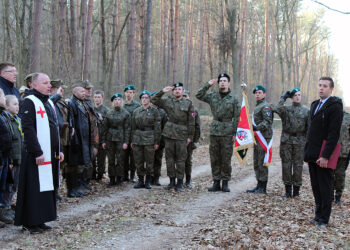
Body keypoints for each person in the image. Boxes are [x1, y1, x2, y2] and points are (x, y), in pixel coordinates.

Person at [14, 73, 64, 234]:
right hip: (35, 154)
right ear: (33, 85)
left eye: (49, 82)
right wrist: (37, 151)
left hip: (50, 154)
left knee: (46, 188)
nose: (49, 85)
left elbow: (54, 128)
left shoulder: (47, 101)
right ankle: (30, 221)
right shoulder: (29, 102)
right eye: (45, 83)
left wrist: (59, 150)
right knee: (34, 188)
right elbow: (27, 129)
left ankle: (41, 218)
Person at [304, 76, 343, 228]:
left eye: (325, 86)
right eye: (320, 85)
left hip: (324, 154)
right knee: (315, 187)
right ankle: (317, 214)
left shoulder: (335, 107)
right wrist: (307, 152)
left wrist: (325, 156)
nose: (321, 88)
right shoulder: (314, 105)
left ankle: (324, 219)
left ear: (331, 89)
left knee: (325, 187)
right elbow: (311, 131)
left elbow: (334, 134)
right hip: (312, 152)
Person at [196, 74, 240, 192]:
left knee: (225, 158)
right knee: (214, 157)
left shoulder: (234, 99)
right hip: (215, 130)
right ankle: (216, 182)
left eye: (225, 81)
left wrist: (235, 133)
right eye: (220, 81)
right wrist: (208, 85)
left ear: (229, 83)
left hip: (227, 131)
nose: (222, 83)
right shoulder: (212, 96)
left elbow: (237, 117)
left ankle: (225, 182)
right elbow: (198, 95)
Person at [151, 82, 195, 192]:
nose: (177, 91)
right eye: (175, 89)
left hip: (182, 134)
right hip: (169, 133)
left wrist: (190, 136)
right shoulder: (167, 101)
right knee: (169, 159)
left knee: (180, 160)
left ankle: (180, 182)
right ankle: (171, 182)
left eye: (179, 89)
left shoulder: (188, 103)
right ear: (172, 91)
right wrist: (162, 91)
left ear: (183, 91)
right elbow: (153, 100)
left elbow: (191, 121)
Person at [273, 87, 309, 197]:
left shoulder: (306, 111)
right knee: (286, 165)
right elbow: (276, 108)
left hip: (300, 141)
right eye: (295, 95)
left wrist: (308, 143)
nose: (298, 97)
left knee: (298, 166)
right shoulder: (286, 109)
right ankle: (288, 190)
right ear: (292, 98)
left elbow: (308, 128)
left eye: (299, 95)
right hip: (287, 141)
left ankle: (296, 191)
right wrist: (283, 98)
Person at [246, 85, 273, 194]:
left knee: (262, 162)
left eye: (260, 92)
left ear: (264, 94)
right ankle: (258, 185)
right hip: (257, 138)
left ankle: (263, 186)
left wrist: (257, 128)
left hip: (263, 137)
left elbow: (267, 122)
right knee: (256, 162)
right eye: (256, 93)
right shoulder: (257, 107)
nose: (257, 94)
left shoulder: (266, 107)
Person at [131, 90, 161, 189]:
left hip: (150, 138)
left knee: (149, 161)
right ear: (140, 100)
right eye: (142, 98)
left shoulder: (154, 111)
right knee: (138, 161)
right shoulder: (136, 111)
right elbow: (133, 127)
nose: (144, 100)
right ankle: (140, 180)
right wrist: (132, 140)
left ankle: (148, 181)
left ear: (149, 99)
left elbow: (157, 128)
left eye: (146, 98)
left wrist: (156, 141)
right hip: (138, 138)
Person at [66, 82, 92, 198]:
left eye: (84, 91)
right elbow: (71, 120)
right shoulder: (72, 103)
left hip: (84, 138)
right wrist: (74, 137)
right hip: (76, 139)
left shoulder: (83, 103)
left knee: (79, 164)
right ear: (74, 92)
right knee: (73, 164)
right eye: (81, 91)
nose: (84, 93)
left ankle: (77, 188)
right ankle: (72, 189)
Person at [101, 93, 130, 186]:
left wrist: (126, 142)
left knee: (120, 159)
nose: (117, 101)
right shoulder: (108, 113)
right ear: (113, 102)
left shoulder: (126, 113)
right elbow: (104, 128)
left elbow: (127, 129)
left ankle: (119, 178)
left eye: (119, 100)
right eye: (115, 100)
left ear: (121, 101)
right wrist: (103, 141)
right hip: (110, 139)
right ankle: (112, 178)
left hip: (121, 138)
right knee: (111, 159)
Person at [2, 95, 23, 222]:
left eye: (18, 104)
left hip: (19, 157)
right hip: (12, 158)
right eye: (14, 104)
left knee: (15, 185)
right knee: (8, 185)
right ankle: (4, 208)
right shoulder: (6, 120)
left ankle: (9, 206)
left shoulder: (17, 119)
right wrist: (9, 160)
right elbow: (8, 141)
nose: (17, 107)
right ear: (7, 106)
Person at [82, 80, 100, 189]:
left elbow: (94, 124)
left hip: (92, 138)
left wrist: (95, 143)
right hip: (84, 138)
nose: (89, 91)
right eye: (87, 89)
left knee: (90, 162)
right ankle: (82, 183)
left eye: (90, 89)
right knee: (83, 163)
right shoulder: (80, 103)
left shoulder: (89, 103)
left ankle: (86, 182)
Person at [0, 88, 13, 227]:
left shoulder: (3, 115)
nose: (5, 99)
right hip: (0, 159)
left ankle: (1, 212)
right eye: (3, 96)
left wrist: (8, 159)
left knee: (2, 188)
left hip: (4, 158)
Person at [183, 90, 201, 188]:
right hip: (178, 137)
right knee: (178, 160)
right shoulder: (177, 109)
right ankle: (178, 179)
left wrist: (195, 141)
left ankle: (188, 180)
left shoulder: (194, 110)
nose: (184, 98)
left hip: (189, 139)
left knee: (187, 160)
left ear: (189, 97)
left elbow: (197, 127)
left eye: (186, 96)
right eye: (183, 96)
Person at [123, 85, 141, 182]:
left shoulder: (138, 105)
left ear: (134, 93)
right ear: (124, 93)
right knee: (124, 156)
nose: (129, 94)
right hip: (123, 134)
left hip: (134, 134)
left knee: (134, 156)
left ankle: (132, 175)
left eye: (131, 92)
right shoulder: (121, 104)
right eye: (127, 92)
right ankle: (125, 175)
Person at [151, 91, 168, 186]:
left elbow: (165, 126)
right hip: (148, 138)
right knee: (149, 160)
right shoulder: (147, 110)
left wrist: (162, 140)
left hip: (160, 139)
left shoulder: (162, 112)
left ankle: (156, 178)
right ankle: (149, 177)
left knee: (157, 159)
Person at [333, 111, 350, 205]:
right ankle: (329, 195)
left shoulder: (348, 118)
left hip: (344, 152)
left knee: (340, 175)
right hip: (330, 151)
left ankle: (338, 196)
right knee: (329, 174)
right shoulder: (331, 115)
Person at [93, 90, 110, 180]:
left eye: (99, 97)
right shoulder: (91, 109)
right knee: (92, 157)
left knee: (101, 158)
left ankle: (100, 174)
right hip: (93, 137)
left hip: (102, 136)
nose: (97, 99)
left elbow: (108, 125)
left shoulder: (106, 110)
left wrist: (101, 119)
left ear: (102, 98)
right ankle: (92, 175)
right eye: (95, 97)